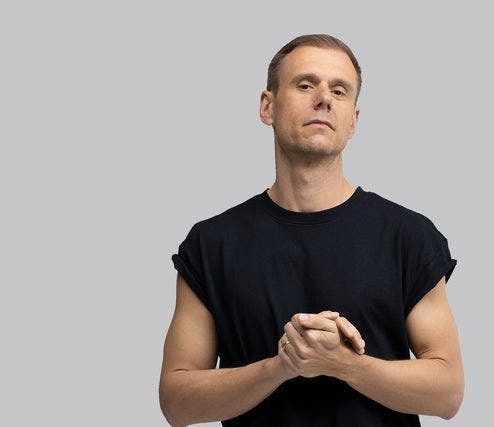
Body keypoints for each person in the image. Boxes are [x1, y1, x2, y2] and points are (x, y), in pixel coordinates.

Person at [159, 34, 464, 426]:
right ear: (267, 106)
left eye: (339, 90)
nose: (324, 99)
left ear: (353, 121)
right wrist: (282, 365)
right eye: (305, 85)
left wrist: (344, 364)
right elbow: (176, 402)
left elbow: (448, 393)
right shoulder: (211, 245)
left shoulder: (408, 237)